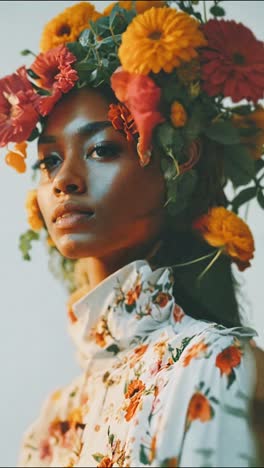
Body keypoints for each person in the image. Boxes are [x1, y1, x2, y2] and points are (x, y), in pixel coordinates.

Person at [0, 1, 263, 466]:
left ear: (178, 164)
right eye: (49, 160)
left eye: (102, 148)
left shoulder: (212, 364)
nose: (64, 181)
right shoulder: (55, 420)